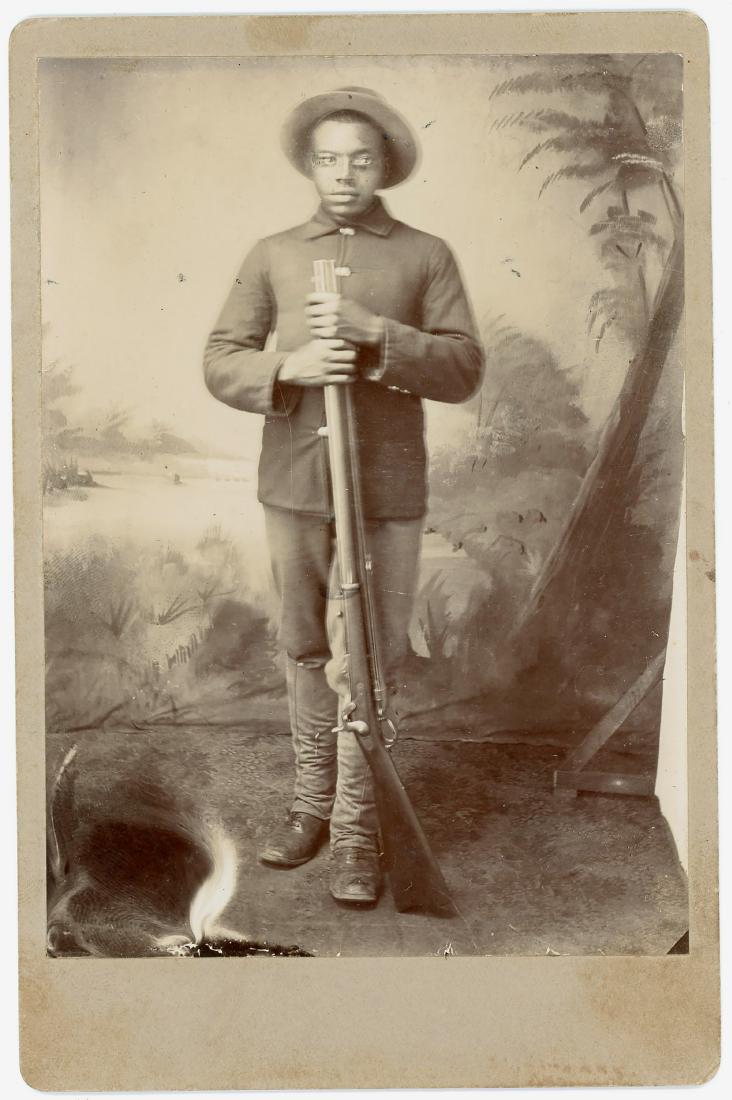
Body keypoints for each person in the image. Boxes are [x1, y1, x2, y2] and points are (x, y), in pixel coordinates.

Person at [203, 87, 484, 906]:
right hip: (293, 484)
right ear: (310, 165)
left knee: (371, 655)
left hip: (386, 490)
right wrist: (285, 369)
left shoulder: (425, 254)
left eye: (360, 158)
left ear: (385, 164)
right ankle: (311, 808)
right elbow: (221, 356)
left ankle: (361, 834)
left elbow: (464, 368)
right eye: (328, 157)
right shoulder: (274, 252)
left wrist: (376, 336)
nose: (344, 173)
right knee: (303, 644)